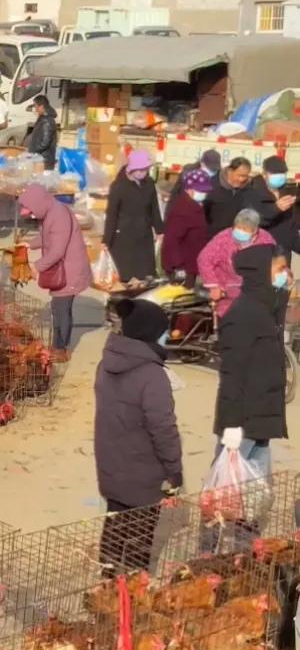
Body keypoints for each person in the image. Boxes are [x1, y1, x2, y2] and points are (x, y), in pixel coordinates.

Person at [93, 299, 183, 572]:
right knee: (139, 539)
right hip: (143, 475)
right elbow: (163, 430)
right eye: (163, 331)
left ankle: (107, 583)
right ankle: (132, 593)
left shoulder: (106, 362)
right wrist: (174, 471)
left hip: (110, 467)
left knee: (115, 525)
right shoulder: (152, 375)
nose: (167, 336)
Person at [214, 243, 288, 479]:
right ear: (261, 271)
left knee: (255, 497)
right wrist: (231, 424)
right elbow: (231, 375)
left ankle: (249, 518)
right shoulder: (242, 315)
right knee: (227, 492)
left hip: (263, 416)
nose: (285, 274)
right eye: (280, 269)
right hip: (244, 419)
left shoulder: (267, 308)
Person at [18, 182, 92, 357]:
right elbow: (46, 237)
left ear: (38, 204)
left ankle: (60, 348)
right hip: (62, 268)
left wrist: (36, 267)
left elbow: (57, 250)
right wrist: (29, 244)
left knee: (61, 309)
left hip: (69, 270)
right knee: (57, 307)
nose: (32, 215)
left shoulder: (58, 216)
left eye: (32, 211)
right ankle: (58, 345)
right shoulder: (49, 212)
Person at [196, 207, 274, 317]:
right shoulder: (223, 238)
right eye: (238, 228)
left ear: (255, 230)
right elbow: (204, 259)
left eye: (245, 229)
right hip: (228, 296)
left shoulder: (265, 240)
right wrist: (214, 286)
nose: (241, 231)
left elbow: (275, 262)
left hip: (257, 295)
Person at [102, 150, 162, 282]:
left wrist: (159, 230)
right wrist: (107, 239)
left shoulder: (149, 184)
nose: (143, 173)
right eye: (140, 170)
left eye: (145, 170)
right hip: (124, 236)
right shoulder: (118, 187)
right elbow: (112, 214)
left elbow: (154, 208)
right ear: (131, 169)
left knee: (145, 274)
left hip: (144, 234)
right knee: (126, 274)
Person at [161, 166, 212, 281]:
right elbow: (172, 240)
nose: (204, 194)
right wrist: (178, 266)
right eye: (201, 191)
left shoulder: (196, 206)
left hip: (192, 264)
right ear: (190, 189)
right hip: (182, 268)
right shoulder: (182, 210)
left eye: (205, 191)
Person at [204, 156, 261, 237]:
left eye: (245, 176)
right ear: (230, 171)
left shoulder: (249, 189)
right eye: (239, 175)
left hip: (236, 236)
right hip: (211, 236)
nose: (241, 179)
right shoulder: (212, 185)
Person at [255, 154, 299, 255]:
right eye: (275, 173)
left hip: (282, 256)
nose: (280, 176)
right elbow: (250, 222)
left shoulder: (287, 193)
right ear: (264, 174)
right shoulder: (252, 192)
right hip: (260, 254)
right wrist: (275, 208)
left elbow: (291, 229)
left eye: (282, 173)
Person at [24, 95, 58, 171]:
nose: (35, 109)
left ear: (41, 106)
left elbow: (45, 143)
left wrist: (33, 151)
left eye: (36, 106)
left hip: (43, 160)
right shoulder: (43, 118)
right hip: (40, 158)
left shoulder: (47, 121)